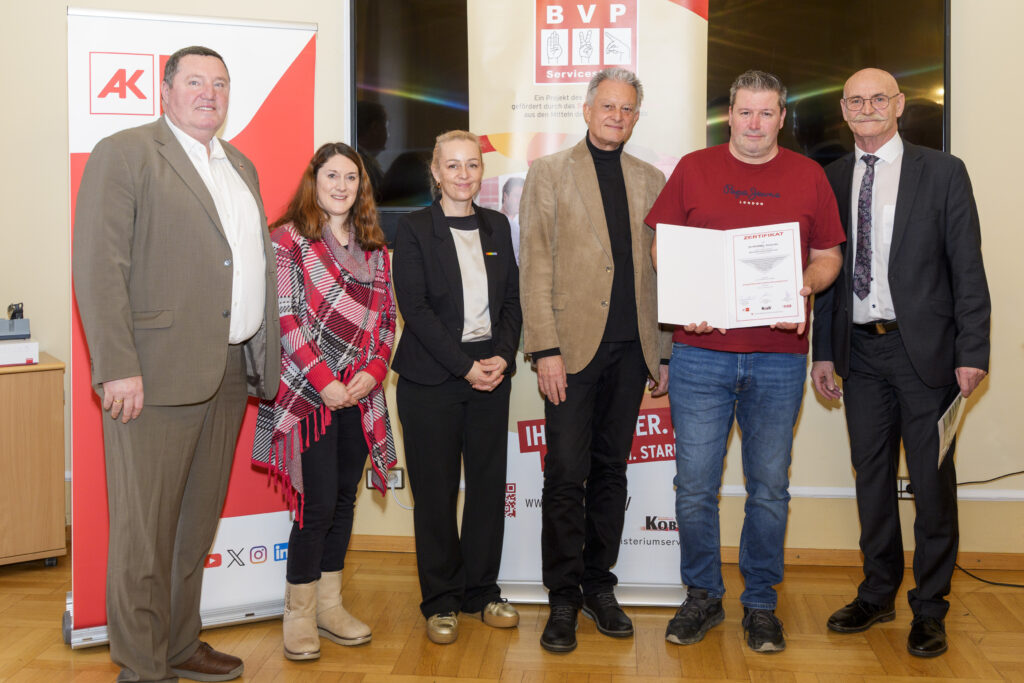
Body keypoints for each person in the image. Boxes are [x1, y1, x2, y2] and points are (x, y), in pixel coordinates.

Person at [72, 46, 280, 682]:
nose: (209, 93)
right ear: (165, 91)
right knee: (145, 532)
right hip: (152, 375)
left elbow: (245, 262)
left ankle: (180, 643)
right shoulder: (126, 153)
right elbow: (99, 266)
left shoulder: (239, 164)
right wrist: (117, 365)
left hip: (227, 372)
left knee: (194, 527)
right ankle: (142, 665)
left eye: (220, 83)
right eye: (194, 81)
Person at [645, 69, 845, 654]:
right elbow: (661, 246)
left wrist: (804, 286)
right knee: (694, 488)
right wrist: (686, 295)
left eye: (766, 113)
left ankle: (760, 604)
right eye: (744, 112)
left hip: (779, 360)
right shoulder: (693, 168)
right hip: (700, 355)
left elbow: (828, 255)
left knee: (769, 489)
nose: (754, 124)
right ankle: (702, 596)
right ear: (728, 115)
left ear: (782, 117)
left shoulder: (808, 175)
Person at [811, 68, 990, 658]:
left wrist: (972, 351)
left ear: (899, 105)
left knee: (932, 485)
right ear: (844, 109)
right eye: (856, 100)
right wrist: (824, 351)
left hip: (928, 356)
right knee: (872, 479)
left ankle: (930, 607)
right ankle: (877, 593)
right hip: (859, 353)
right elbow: (828, 270)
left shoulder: (943, 172)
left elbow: (967, 268)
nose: (867, 108)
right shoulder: (832, 177)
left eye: (878, 99)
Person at [519, 67, 668, 653]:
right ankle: (562, 597)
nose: (617, 116)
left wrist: (663, 351)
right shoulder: (550, 172)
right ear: (586, 111)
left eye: (627, 109)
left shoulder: (651, 179)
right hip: (570, 352)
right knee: (565, 474)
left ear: (636, 118)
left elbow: (663, 272)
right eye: (608, 106)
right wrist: (544, 349)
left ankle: (599, 587)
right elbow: (535, 265)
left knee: (611, 472)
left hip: (633, 352)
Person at [251, 143, 397, 661]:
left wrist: (373, 373)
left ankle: (330, 606)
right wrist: (324, 381)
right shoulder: (288, 240)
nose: (341, 186)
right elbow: (286, 317)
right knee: (315, 506)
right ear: (314, 181)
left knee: (343, 500)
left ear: (361, 187)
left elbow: (387, 321)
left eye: (351, 178)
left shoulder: (375, 248)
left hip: (360, 395)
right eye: (331, 176)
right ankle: (299, 613)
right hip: (307, 395)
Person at [391, 130, 522, 645]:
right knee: (436, 493)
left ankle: (482, 592)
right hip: (431, 381)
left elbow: (511, 302)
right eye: (453, 165)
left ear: (481, 172)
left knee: (488, 488)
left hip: (492, 373)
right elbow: (416, 309)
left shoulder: (497, 224)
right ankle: (441, 600)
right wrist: (466, 367)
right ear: (436, 171)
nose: (463, 174)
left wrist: (503, 357)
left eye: (472, 165)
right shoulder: (415, 228)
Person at [500, 176, 524, 263]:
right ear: (505, 196)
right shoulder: (508, 226)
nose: (520, 201)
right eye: (517, 196)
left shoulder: (515, 226)